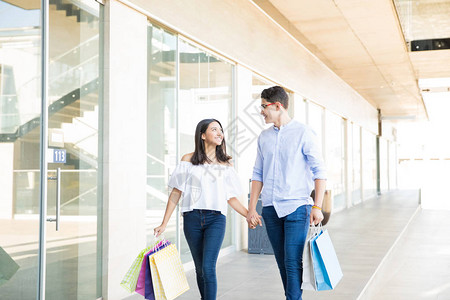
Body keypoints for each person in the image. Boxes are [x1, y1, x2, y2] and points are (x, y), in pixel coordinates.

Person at [154, 118, 252, 300]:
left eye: (221, 130)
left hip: (216, 219)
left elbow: (231, 198)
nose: (219, 133)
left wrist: (248, 215)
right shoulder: (188, 160)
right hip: (191, 219)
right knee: (200, 269)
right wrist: (163, 223)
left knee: (208, 267)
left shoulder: (226, 165)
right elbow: (176, 193)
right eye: (214, 129)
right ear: (202, 135)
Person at [247, 86, 327, 300]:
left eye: (264, 107)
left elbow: (320, 172)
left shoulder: (303, 132)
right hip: (271, 209)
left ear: (278, 106)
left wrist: (317, 207)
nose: (261, 112)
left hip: (297, 207)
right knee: (283, 261)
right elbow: (257, 174)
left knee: (292, 261)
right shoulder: (264, 138)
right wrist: (252, 208)